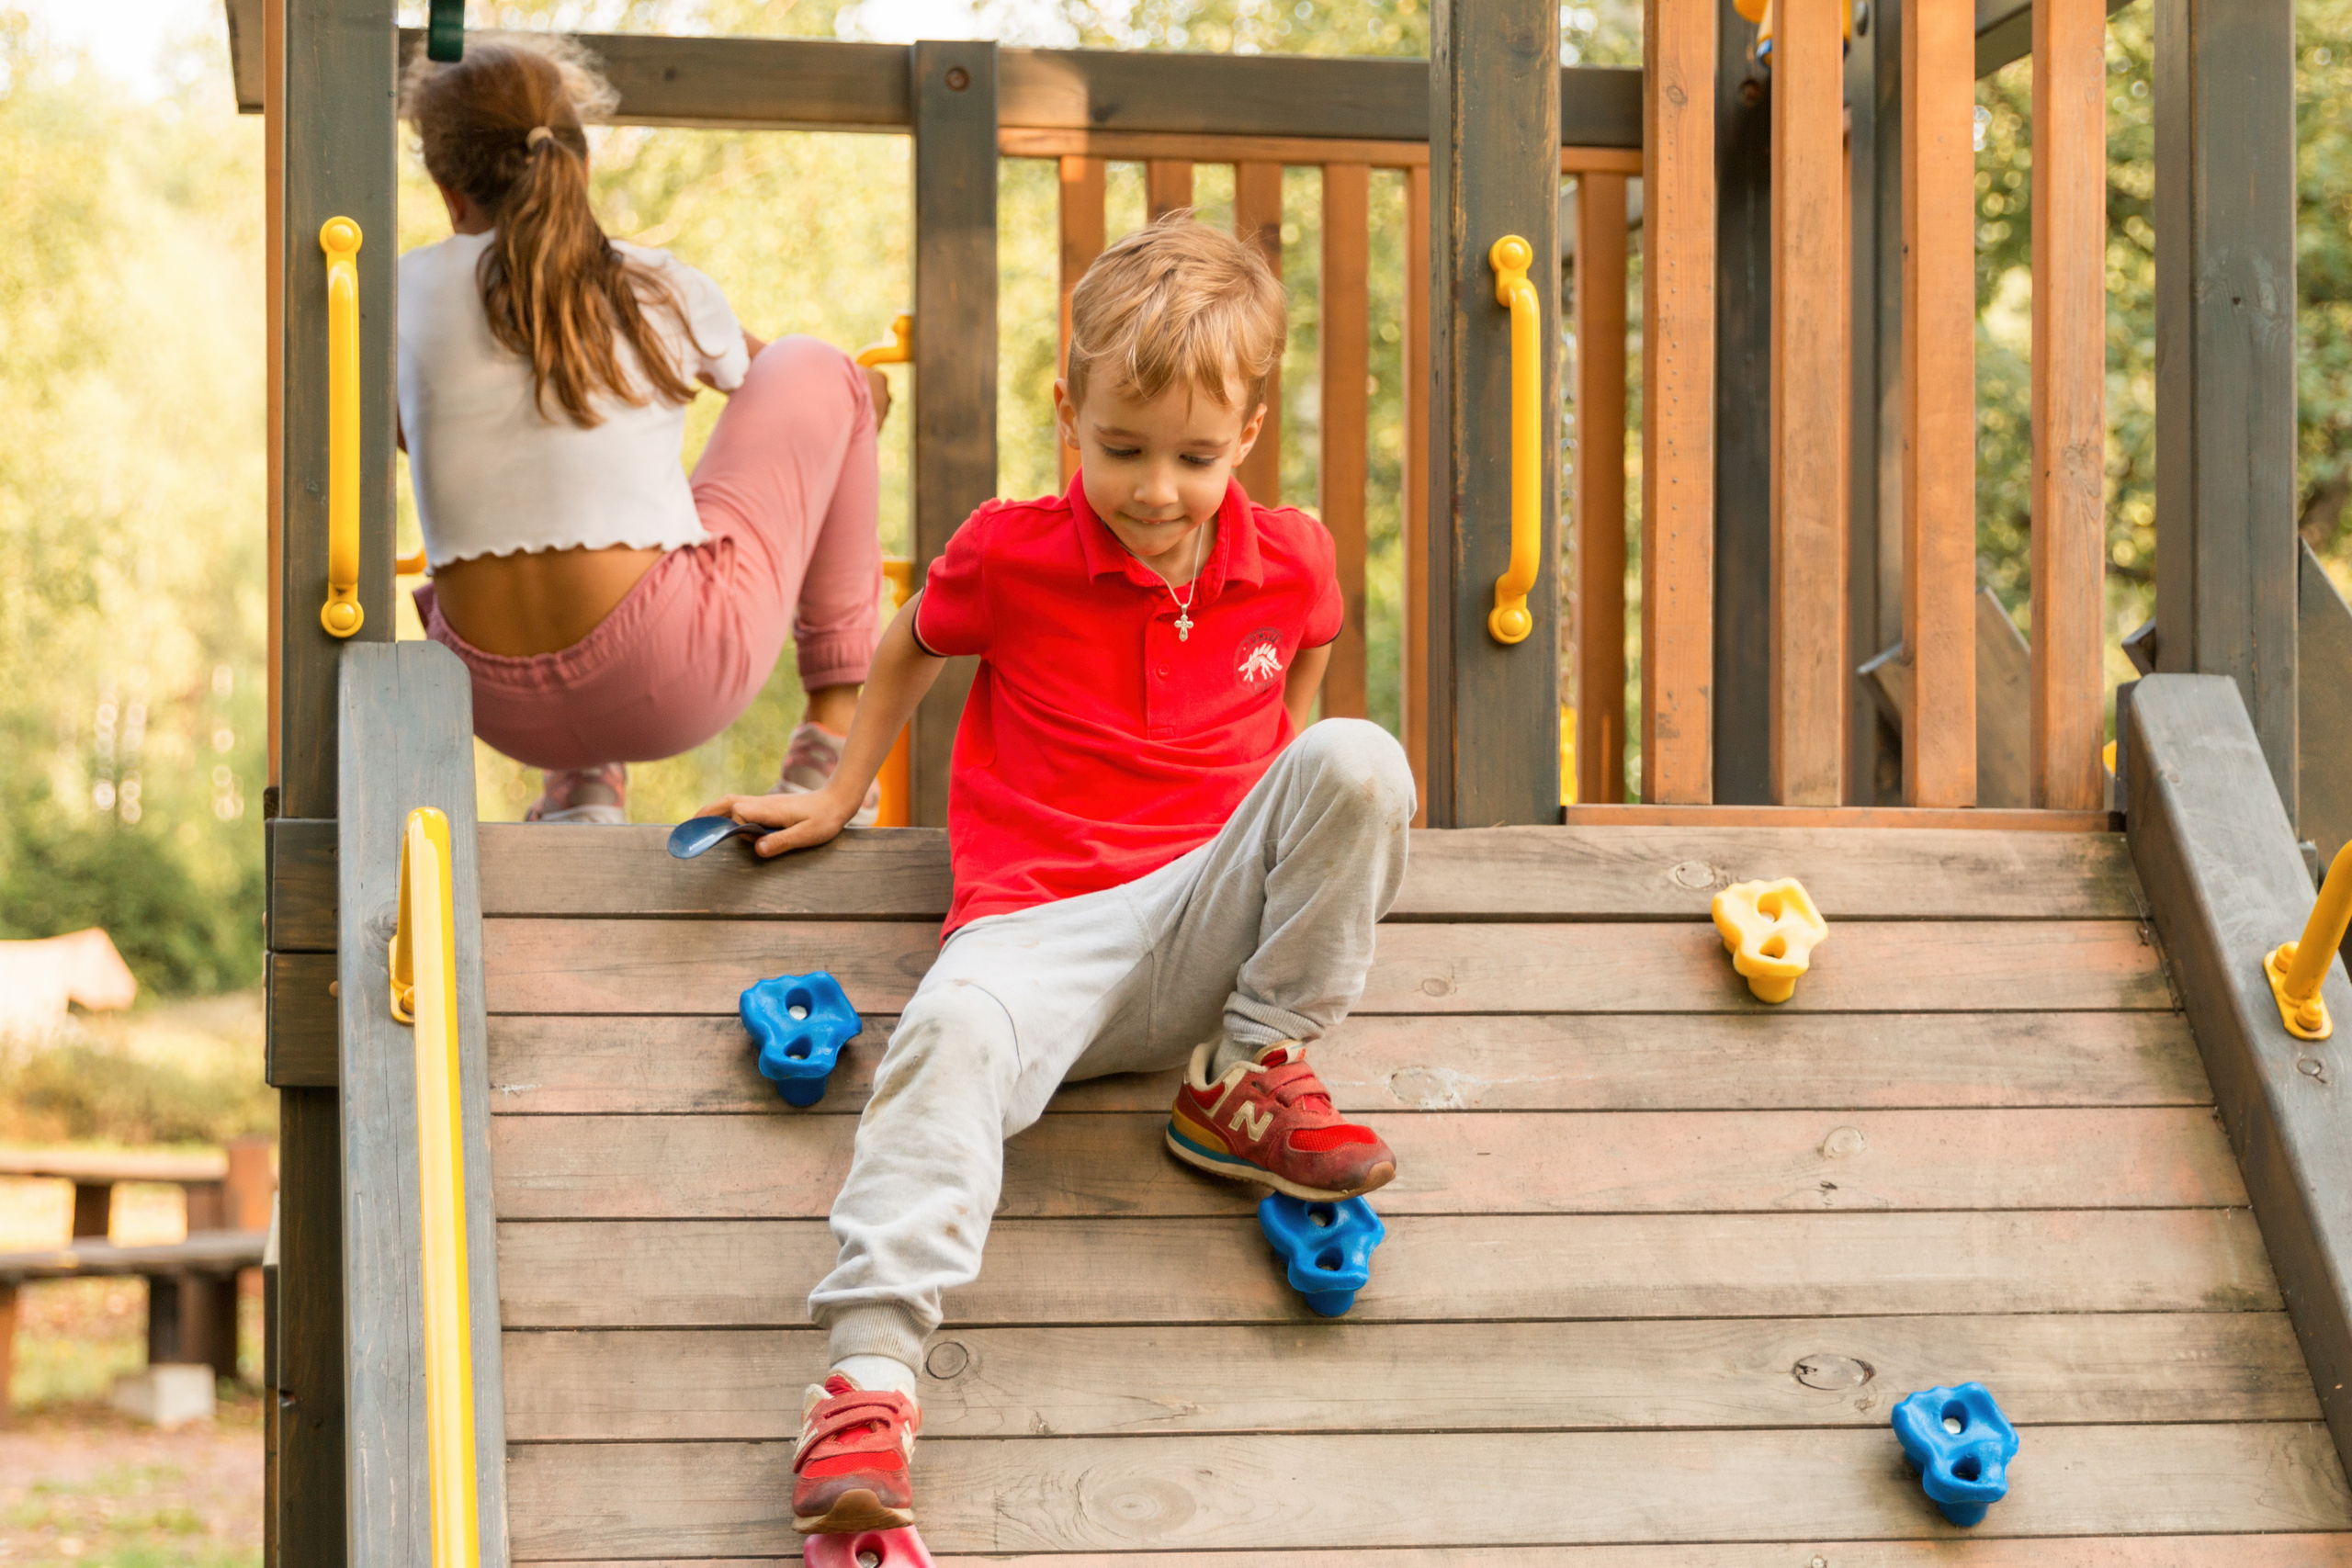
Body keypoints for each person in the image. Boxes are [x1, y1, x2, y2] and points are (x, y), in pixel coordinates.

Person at [697, 214, 1417, 1537]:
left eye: (1195, 458)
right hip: (1037, 941)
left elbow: (1304, 706)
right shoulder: (1011, 549)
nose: (1155, 489)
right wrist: (843, 789)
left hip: (1205, 929)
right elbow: (913, 641)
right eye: (1122, 448)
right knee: (949, 1029)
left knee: (1360, 758)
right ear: (1067, 413)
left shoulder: (1295, 557)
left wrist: (1278, 861)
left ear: (1247, 432)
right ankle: (865, 1382)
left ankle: (1248, 1078)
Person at [397, 34, 887, 824]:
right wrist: (864, 397)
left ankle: (581, 785)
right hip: (673, 681)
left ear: (450, 192)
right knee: (821, 367)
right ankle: (830, 750)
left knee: (585, 497)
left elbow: (407, 438)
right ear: (579, 167)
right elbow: (793, 388)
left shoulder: (397, 295)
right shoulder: (654, 285)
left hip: (487, 701)